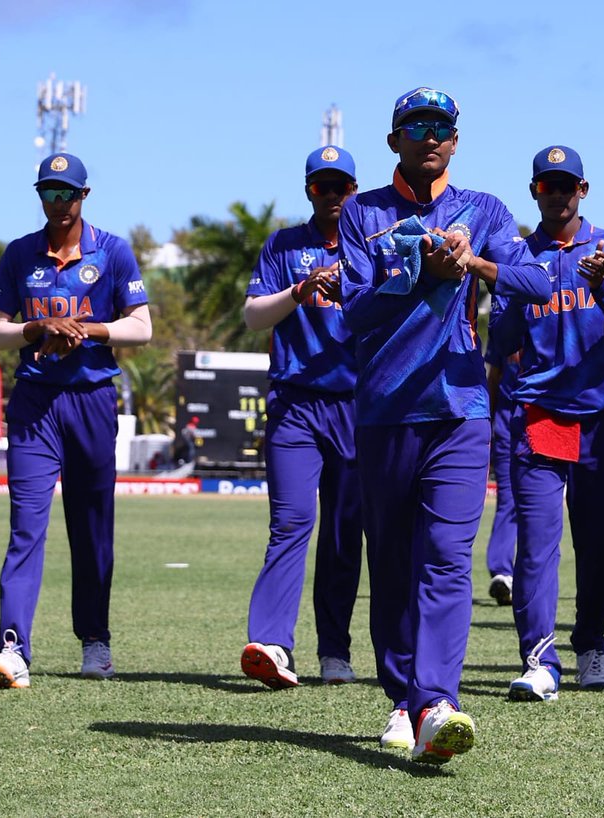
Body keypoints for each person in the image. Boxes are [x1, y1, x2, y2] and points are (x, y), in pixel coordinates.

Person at [338, 87, 549, 764]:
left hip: (461, 412)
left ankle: (436, 701)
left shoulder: (482, 210)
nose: (429, 134)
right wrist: (413, 274)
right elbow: (353, 315)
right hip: (385, 413)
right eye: (415, 125)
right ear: (395, 139)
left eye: (441, 126)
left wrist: (474, 263)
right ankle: (401, 696)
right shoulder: (362, 213)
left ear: (455, 141)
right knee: (393, 565)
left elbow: (538, 284)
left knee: (447, 562)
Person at [0, 152, 152, 688]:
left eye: (67, 194)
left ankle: (94, 641)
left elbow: (141, 328)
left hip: (93, 403)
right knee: (26, 527)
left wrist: (87, 329)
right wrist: (38, 328)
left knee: (92, 528)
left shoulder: (115, 252)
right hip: (34, 405)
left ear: (84, 196)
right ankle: (13, 649)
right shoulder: (18, 254)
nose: (58, 203)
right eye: (49, 193)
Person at [489, 146, 604, 702]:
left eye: (566, 184)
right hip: (536, 413)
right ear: (533, 191)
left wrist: (602, 285)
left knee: (598, 541)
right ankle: (539, 661)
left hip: (601, 416)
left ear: (584, 189)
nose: (556, 193)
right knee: (535, 545)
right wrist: (507, 290)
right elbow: (501, 344)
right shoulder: (514, 255)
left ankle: (592, 643)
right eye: (545, 185)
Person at [238, 146, 364, 690]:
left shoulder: (375, 247)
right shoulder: (283, 246)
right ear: (308, 190)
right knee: (290, 523)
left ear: (355, 191)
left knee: (343, 532)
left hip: (360, 407)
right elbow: (251, 315)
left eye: (340, 186)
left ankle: (335, 650)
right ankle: (271, 644)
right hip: (294, 404)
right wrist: (297, 290)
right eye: (321, 186)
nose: (332, 195)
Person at [483, 350, 521, 606]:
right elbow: (494, 375)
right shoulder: (503, 314)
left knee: (522, 506)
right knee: (509, 501)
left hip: (549, 419)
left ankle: (517, 574)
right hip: (508, 425)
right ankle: (502, 574)